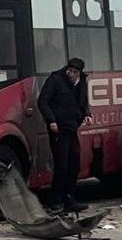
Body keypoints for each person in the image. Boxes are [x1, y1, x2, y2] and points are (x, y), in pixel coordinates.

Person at [37, 57, 93, 212]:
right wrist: (51, 120)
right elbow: (43, 101)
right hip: (58, 128)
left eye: (74, 72)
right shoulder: (56, 80)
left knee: (74, 163)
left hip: (72, 126)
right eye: (70, 70)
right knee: (62, 164)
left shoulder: (82, 81)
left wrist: (87, 114)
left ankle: (69, 198)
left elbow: (83, 101)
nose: (71, 74)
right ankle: (56, 200)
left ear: (79, 72)